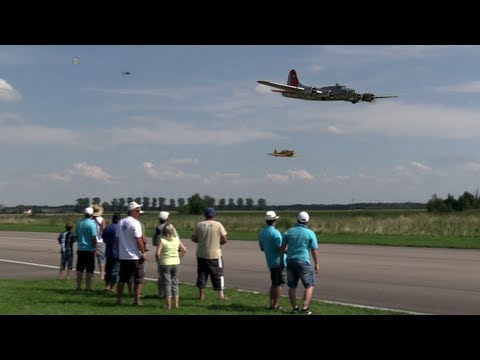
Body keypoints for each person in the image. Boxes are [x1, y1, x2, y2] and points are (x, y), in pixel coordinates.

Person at [279, 211, 319, 315]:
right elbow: (314, 250)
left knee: (292, 286)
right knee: (309, 285)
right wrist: (317, 263)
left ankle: (294, 308)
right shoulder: (310, 233)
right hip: (303, 261)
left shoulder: (289, 232)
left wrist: (281, 261)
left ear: (297, 219)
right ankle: (305, 308)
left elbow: (282, 248)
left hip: (290, 261)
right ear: (307, 221)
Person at [191, 207, 228, 301]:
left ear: (205, 215)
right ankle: (221, 295)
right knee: (218, 274)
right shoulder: (218, 225)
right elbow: (224, 239)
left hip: (201, 254)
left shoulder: (199, 225)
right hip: (215, 254)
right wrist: (218, 243)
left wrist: (202, 241)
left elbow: (193, 238)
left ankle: (201, 296)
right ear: (214, 215)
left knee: (202, 274)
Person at [115, 201, 147, 306]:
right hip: (134, 256)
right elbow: (138, 240)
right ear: (133, 211)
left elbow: (117, 239)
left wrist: (119, 253)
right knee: (138, 279)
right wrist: (143, 252)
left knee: (122, 279)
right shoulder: (135, 223)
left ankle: (118, 299)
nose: (139, 213)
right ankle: (136, 300)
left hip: (123, 255)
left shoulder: (120, 222)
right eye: (137, 211)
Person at [258, 210, 285, 311]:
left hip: (270, 261)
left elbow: (262, 248)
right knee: (279, 284)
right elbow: (280, 248)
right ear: (274, 221)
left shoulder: (262, 233)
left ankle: (271, 304)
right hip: (278, 261)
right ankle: (275, 305)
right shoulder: (276, 233)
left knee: (274, 283)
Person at [155, 224, 187, 309]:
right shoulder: (176, 239)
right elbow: (184, 250)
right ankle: (176, 304)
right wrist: (179, 257)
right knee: (175, 283)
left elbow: (158, 253)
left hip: (165, 263)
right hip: (175, 262)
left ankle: (168, 304)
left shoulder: (162, 240)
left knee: (167, 283)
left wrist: (159, 261)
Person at [152, 211, 179, 298]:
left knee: (161, 275)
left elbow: (154, 242)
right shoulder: (170, 228)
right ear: (167, 218)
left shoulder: (156, 229)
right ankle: (171, 294)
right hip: (170, 253)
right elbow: (176, 239)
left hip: (161, 254)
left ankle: (161, 293)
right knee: (172, 277)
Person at [75, 207, 98, 292]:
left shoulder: (79, 223)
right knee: (89, 269)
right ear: (92, 214)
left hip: (80, 248)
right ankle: (88, 287)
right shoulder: (92, 224)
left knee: (80, 269)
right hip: (89, 249)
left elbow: (76, 236)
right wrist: (96, 248)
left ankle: (78, 286)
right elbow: (93, 238)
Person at [103, 212, 121, 293]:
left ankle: (107, 285)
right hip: (116, 252)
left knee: (108, 270)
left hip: (108, 251)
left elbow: (104, 239)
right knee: (115, 271)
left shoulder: (108, 228)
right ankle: (112, 287)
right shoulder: (119, 228)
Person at [92, 204, 106, 280]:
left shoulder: (90, 220)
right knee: (101, 258)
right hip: (100, 240)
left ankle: (91, 274)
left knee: (91, 258)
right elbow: (104, 231)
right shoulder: (101, 219)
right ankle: (102, 275)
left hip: (91, 241)